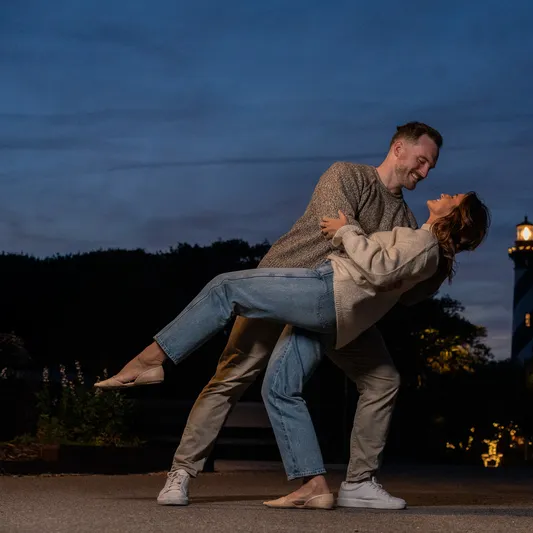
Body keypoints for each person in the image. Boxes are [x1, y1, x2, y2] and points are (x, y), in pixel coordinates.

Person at [111, 122, 445, 509]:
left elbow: (397, 286)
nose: (423, 173)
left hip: (334, 308)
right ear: (398, 148)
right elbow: (332, 234)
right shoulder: (347, 175)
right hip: (287, 282)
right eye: (421, 161)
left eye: (430, 168)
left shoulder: (405, 220)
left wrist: (436, 263)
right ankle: (182, 472)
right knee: (231, 377)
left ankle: (352, 482)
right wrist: (375, 259)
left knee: (378, 379)